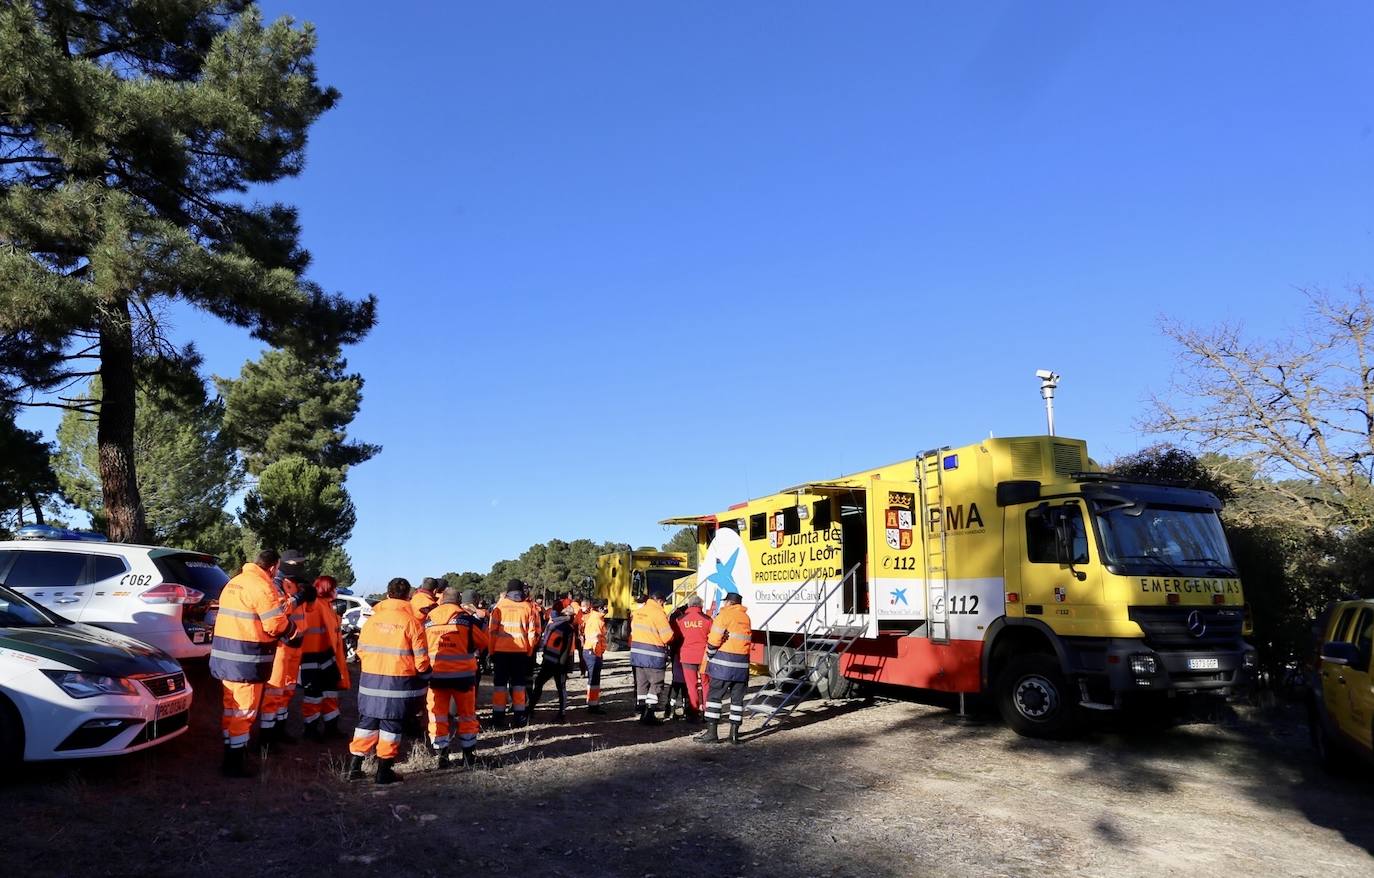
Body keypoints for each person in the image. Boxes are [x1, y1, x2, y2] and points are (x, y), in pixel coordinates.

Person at [209, 549, 314, 778]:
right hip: (247, 658)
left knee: (232, 708)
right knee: (244, 711)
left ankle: (231, 753)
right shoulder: (261, 586)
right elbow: (275, 623)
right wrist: (293, 633)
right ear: (274, 566)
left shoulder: (234, 582)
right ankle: (234, 764)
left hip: (226, 657)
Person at [348, 577, 431, 784]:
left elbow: (360, 650)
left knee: (366, 722)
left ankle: (353, 767)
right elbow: (421, 660)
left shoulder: (372, 620)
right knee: (391, 726)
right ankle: (383, 771)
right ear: (408, 596)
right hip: (398, 683)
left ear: (388, 594)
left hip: (370, 679)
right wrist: (425, 674)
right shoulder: (412, 622)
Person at [424, 587, 488, 768]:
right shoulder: (466, 620)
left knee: (438, 716)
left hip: (435, 676)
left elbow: (421, 646)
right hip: (464, 677)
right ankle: (468, 757)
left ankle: (442, 757)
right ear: (458, 601)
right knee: (467, 716)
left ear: (442, 599)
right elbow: (484, 642)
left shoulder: (428, 619)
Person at [259, 551, 312, 743]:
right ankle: (266, 737)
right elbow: (279, 611)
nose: (300, 566)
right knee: (275, 691)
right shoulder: (276, 584)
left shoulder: (298, 584)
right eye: (296, 563)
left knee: (288, 690)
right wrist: (299, 597)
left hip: (296, 644)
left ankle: (280, 730)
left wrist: (307, 595)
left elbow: (305, 614)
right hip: (281, 644)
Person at [697, 591, 752, 745]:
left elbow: (714, 639)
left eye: (724, 602)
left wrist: (710, 653)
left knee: (714, 698)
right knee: (737, 701)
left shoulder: (724, 615)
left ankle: (712, 733)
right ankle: (734, 735)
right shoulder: (746, 618)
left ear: (729, 603)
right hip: (741, 666)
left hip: (723, 666)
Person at [300, 574, 351, 741]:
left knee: (329, 693)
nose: (336, 591)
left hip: (326, 657)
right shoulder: (315, 605)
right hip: (312, 657)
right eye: (334, 588)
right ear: (328, 589)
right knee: (314, 695)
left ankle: (331, 727)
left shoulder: (328, 606)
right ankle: (311, 730)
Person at [488, 579, 541, 729]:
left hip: (500, 652)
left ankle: (498, 718)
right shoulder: (528, 607)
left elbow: (492, 632)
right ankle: (520, 717)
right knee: (519, 685)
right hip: (521, 653)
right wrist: (529, 652)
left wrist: (491, 652)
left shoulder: (499, 607)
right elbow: (532, 633)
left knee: (500, 686)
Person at [629, 588, 673, 725]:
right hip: (653, 654)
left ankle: (642, 711)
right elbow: (668, 636)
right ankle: (650, 713)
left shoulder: (638, 612)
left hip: (637, 654)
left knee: (641, 684)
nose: (663, 606)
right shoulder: (658, 614)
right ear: (659, 601)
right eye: (663, 603)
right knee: (656, 684)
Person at [669, 595, 712, 722]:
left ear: (689, 605)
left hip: (686, 656)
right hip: (704, 657)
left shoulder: (680, 620)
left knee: (691, 685)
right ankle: (707, 711)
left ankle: (693, 711)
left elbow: (675, 638)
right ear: (701, 606)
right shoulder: (708, 619)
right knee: (705, 684)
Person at [531, 602, 576, 722]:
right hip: (558, 663)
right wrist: (563, 665)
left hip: (549, 661)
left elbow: (546, 644)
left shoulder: (552, 625)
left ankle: (530, 709)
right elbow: (566, 649)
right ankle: (561, 714)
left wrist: (545, 659)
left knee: (539, 683)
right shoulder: (568, 628)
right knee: (561, 688)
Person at [580, 598, 607, 713]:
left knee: (594, 679)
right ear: (600, 608)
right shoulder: (596, 620)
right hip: (593, 652)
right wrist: (598, 654)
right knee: (594, 680)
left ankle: (592, 703)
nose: (606, 609)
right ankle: (592, 706)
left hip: (591, 651)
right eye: (605, 606)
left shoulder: (595, 618)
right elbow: (595, 639)